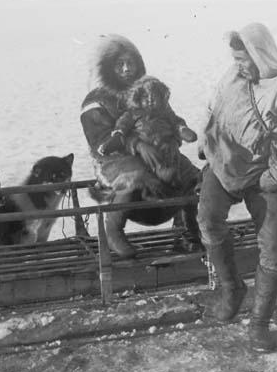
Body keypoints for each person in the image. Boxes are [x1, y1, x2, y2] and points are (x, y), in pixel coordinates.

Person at [197, 23, 277, 353]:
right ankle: (231, 289)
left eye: (244, 59)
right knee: (207, 220)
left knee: (274, 248)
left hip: (265, 174)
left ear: (261, 54)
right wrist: (207, 143)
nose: (239, 66)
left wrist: (275, 175)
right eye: (235, 59)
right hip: (224, 164)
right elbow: (213, 105)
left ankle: (260, 323)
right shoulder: (234, 74)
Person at [80, 34, 201, 258]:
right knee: (134, 176)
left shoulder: (148, 91)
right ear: (108, 68)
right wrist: (136, 144)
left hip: (157, 152)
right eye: (119, 64)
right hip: (115, 160)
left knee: (191, 175)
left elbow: (167, 117)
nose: (127, 69)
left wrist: (176, 132)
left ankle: (185, 227)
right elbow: (100, 141)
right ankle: (114, 230)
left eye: (131, 63)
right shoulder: (96, 101)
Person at [98, 75, 197, 186]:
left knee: (182, 162)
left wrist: (182, 129)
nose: (150, 100)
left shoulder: (166, 113)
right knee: (151, 156)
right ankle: (160, 169)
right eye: (145, 96)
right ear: (138, 99)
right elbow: (123, 125)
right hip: (145, 146)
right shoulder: (133, 114)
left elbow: (176, 122)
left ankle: (193, 178)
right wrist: (119, 134)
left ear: (162, 97)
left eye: (154, 96)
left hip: (167, 146)